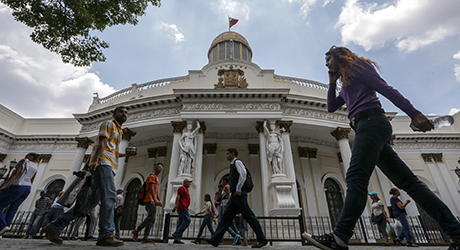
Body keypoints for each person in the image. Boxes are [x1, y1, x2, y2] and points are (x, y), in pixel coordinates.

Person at [302, 46, 460, 250]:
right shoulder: (347, 80)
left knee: (356, 178)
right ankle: (456, 233)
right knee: (410, 183)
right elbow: (332, 106)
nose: (326, 64)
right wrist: (332, 83)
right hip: (365, 126)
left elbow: (386, 89)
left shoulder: (358, 66)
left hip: (371, 122)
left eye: (328, 59)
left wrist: (414, 113)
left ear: (339, 57)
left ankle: (339, 237)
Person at [43, 106, 136, 246]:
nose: (124, 114)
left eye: (126, 112)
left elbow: (112, 150)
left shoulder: (119, 130)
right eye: (121, 112)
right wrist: (96, 160)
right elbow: (102, 143)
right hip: (104, 163)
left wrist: (126, 155)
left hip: (108, 163)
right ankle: (106, 234)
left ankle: (54, 227)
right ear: (114, 114)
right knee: (110, 196)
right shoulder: (108, 124)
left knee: (89, 204)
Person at [206, 148, 268, 248]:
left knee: (249, 216)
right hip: (235, 196)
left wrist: (238, 188)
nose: (226, 155)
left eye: (227, 153)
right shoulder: (232, 165)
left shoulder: (237, 162)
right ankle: (215, 239)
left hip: (238, 194)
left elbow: (243, 174)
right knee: (226, 218)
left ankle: (262, 239)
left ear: (233, 154)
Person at [0, 153, 39, 236]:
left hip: (17, 186)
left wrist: (5, 185)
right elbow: (32, 180)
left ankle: (2, 226)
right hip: (27, 188)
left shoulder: (23, 161)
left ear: (30, 157)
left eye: (27, 155)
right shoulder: (35, 166)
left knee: (0, 205)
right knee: (13, 209)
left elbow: (15, 174)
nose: (25, 156)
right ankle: (5, 227)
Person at [132, 163, 163, 243]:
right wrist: (155, 199)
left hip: (152, 199)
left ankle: (146, 236)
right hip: (149, 199)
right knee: (151, 217)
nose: (160, 169)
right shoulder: (152, 177)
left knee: (152, 219)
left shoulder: (157, 178)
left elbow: (156, 191)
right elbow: (151, 188)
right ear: (155, 168)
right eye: (159, 167)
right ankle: (137, 229)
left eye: (161, 168)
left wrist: (158, 199)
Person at [220, 177, 240, 245]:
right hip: (225, 205)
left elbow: (228, 196)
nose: (221, 182)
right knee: (231, 223)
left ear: (225, 181)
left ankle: (235, 235)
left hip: (225, 205)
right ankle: (237, 238)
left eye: (222, 181)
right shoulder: (226, 186)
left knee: (224, 222)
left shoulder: (226, 186)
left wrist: (229, 204)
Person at [171, 178, 192, 244]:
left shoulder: (186, 189)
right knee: (187, 220)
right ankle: (177, 234)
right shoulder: (182, 188)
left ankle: (177, 239)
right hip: (182, 207)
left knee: (180, 222)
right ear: (185, 183)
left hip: (184, 207)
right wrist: (176, 205)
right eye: (188, 182)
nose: (189, 184)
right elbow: (178, 196)